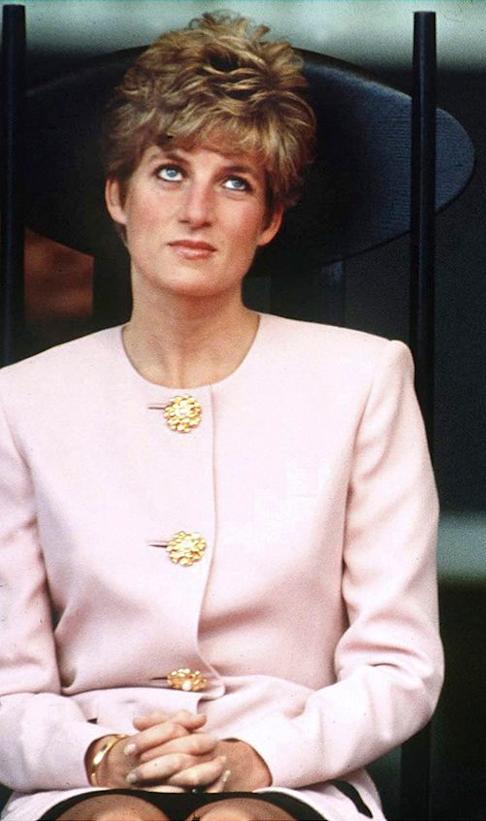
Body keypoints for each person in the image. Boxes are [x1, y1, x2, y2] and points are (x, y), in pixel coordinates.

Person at [0, 13, 442, 821]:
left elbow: (400, 664)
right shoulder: (20, 402)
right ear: (117, 197)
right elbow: (4, 681)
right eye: (169, 172)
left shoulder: (365, 378)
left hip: (294, 770)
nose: (197, 209)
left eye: (235, 180)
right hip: (84, 771)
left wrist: (258, 757)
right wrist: (102, 756)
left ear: (268, 219)